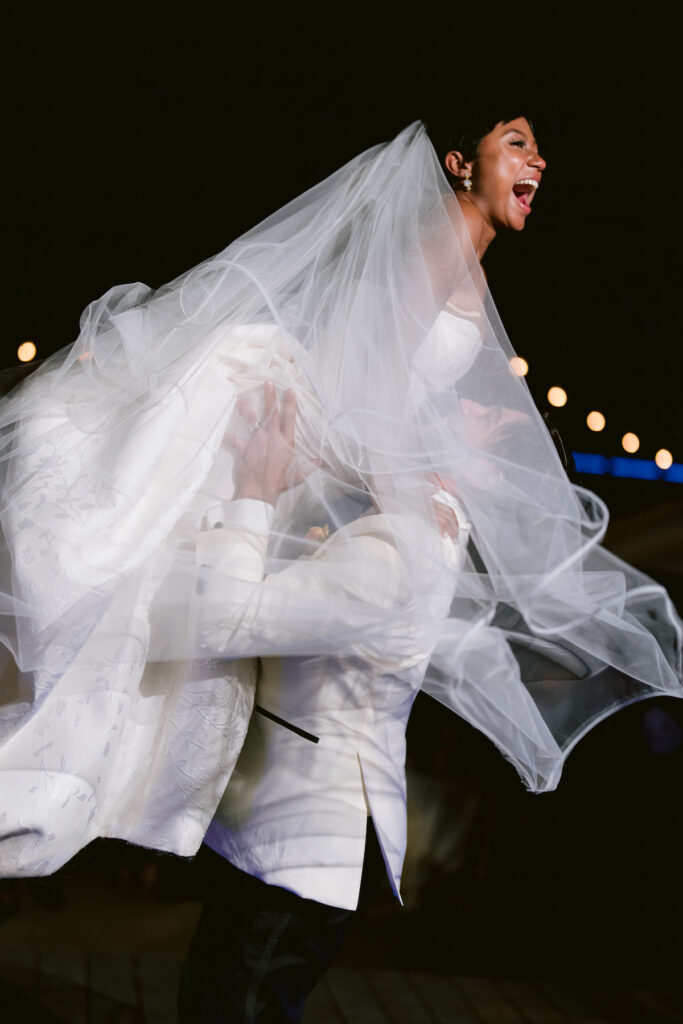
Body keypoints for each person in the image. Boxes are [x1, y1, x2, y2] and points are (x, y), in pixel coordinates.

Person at [0, 111, 681, 1018]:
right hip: (305, 413)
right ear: (457, 163)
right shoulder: (442, 234)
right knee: (141, 561)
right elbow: (372, 376)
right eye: (513, 142)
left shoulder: (473, 268)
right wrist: (400, 486)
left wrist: (410, 479)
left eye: (537, 148)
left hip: (345, 453)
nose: (535, 160)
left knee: (193, 610)